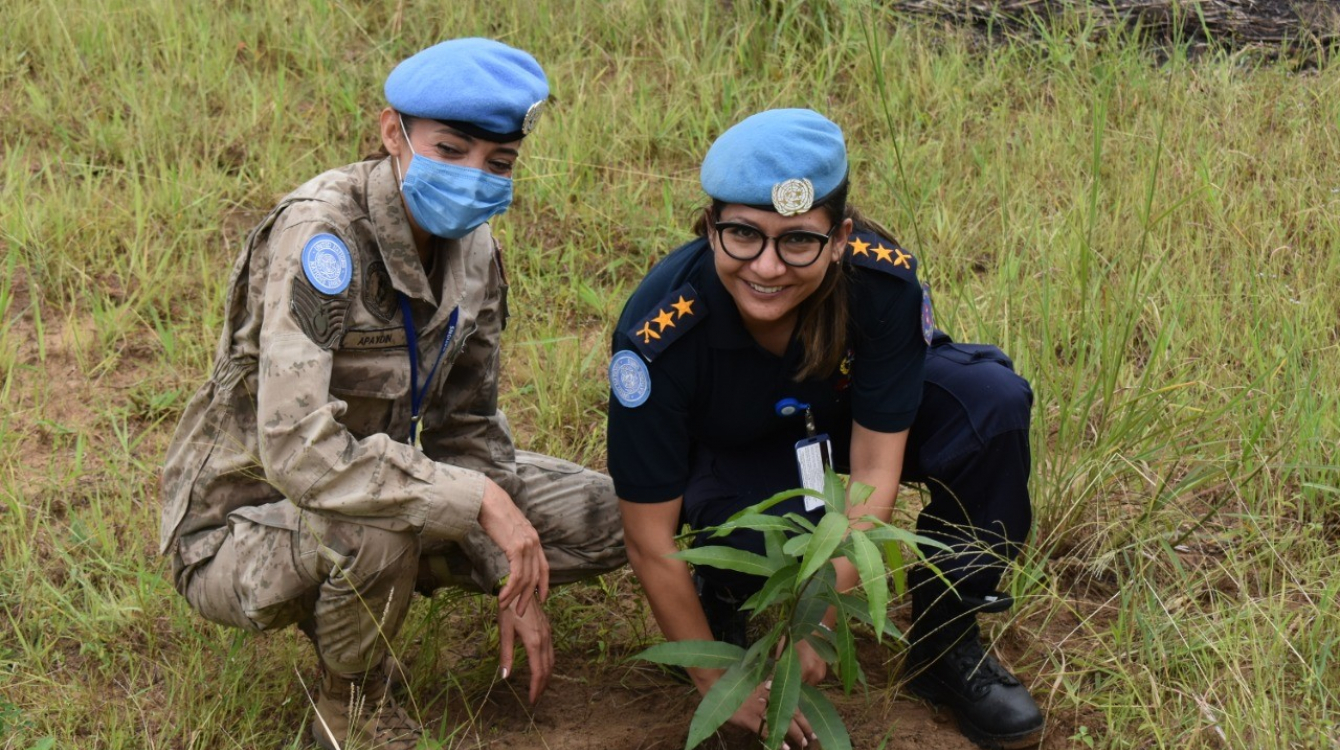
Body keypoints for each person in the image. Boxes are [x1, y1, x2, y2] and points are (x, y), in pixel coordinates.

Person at [159, 38, 624, 750]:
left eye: (498, 164)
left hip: (370, 480)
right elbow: (296, 452)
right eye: (452, 149)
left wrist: (510, 565)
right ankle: (351, 705)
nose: (474, 177)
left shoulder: (474, 249)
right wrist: (478, 504)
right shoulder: (322, 239)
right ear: (391, 133)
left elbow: (466, 426)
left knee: (615, 512)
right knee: (374, 529)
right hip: (242, 524)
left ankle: (380, 584)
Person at [608, 109, 1044, 749]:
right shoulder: (658, 335)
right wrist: (715, 683)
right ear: (709, 228)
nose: (767, 266)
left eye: (798, 241)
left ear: (839, 237)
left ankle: (945, 646)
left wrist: (815, 619)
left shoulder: (880, 280)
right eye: (743, 235)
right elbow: (649, 539)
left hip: (842, 422)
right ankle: (727, 603)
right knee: (759, 546)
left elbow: (873, 472)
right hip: (737, 447)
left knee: (991, 405)